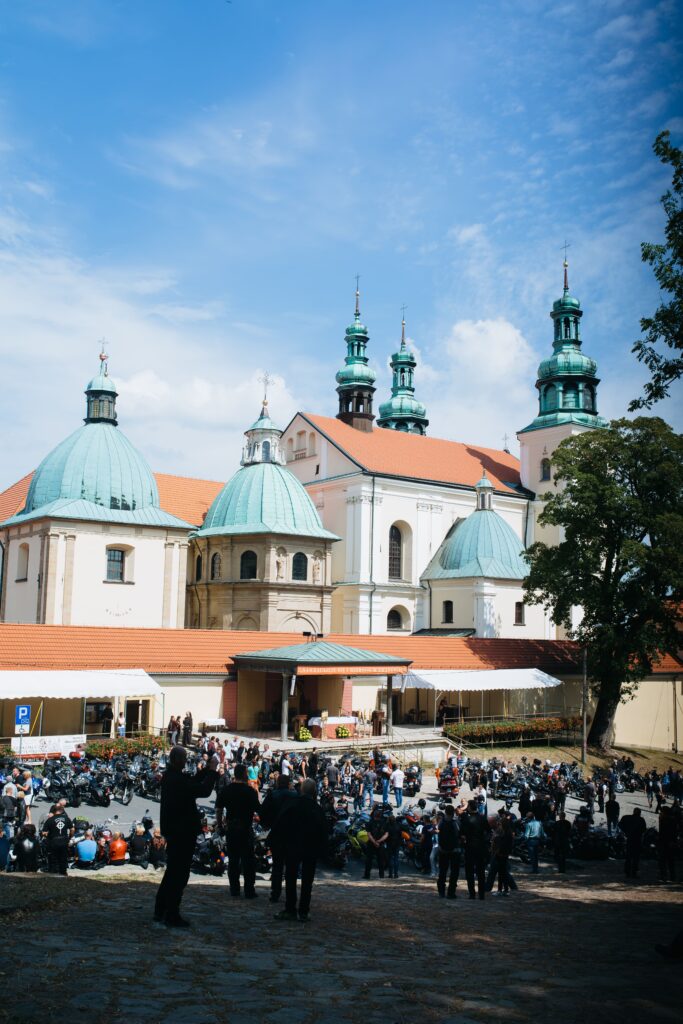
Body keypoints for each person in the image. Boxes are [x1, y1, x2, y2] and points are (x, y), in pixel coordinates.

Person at [154, 746, 218, 927]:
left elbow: (192, 782)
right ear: (179, 760)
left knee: (172, 873)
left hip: (175, 831)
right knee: (179, 875)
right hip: (182, 832)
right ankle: (171, 913)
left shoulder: (171, 776)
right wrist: (212, 772)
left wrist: (206, 769)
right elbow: (203, 790)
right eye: (184, 758)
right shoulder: (176, 779)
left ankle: (161, 909)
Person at [272, 778, 328, 922]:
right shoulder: (317, 808)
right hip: (310, 847)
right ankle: (304, 910)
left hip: (292, 845)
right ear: (314, 791)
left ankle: (290, 908)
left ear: (301, 790)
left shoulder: (292, 804)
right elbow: (323, 831)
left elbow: (280, 824)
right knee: (307, 880)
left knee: (290, 877)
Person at [215, 762, 260, 900]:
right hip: (245, 829)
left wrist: (220, 825)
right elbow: (259, 809)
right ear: (245, 774)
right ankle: (249, 890)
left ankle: (234, 889)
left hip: (231, 828)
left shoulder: (227, 790)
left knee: (233, 860)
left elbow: (219, 809)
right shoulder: (249, 791)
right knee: (248, 861)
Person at [259, 774, 299, 903]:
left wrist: (266, 824)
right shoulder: (295, 795)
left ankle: (275, 893)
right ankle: (290, 895)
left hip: (276, 833)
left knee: (277, 865)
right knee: (290, 866)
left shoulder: (272, 795)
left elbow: (263, 811)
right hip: (291, 834)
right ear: (288, 784)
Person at [460, 800, 490, 900]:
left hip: (470, 847)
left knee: (469, 872)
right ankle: (481, 894)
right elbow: (489, 832)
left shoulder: (467, 820)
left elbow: (461, 834)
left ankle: (472, 893)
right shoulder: (482, 818)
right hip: (480, 847)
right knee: (480, 872)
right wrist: (484, 841)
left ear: (469, 808)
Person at [437, 804, 461, 899]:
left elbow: (439, 834)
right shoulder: (456, 822)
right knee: (454, 873)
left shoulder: (442, 822)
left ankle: (441, 892)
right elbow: (459, 834)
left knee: (442, 872)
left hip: (443, 850)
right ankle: (451, 892)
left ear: (445, 812)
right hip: (454, 851)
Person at [42, 804, 72, 875]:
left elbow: (44, 833)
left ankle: (53, 872)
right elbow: (72, 829)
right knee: (63, 858)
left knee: (53, 858)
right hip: (64, 840)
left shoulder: (50, 820)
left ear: (53, 811)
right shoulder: (66, 818)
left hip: (54, 841)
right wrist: (70, 836)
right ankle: (63, 872)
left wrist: (48, 836)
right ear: (61, 810)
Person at [620, 807, 647, 879]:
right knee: (636, 857)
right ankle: (634, 872)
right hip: (637, 840)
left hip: (630, 839)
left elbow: (620, 825)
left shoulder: (627, 818)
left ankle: (627, 872)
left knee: (628, 856)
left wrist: (626, 832)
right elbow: (644, 829)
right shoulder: (641, 820)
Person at [364, 805, 388, 879]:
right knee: (381, 861)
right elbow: (386, 834)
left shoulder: (369, 822)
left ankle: (367, 875)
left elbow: (369, 834)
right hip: (380, 844)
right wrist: (379, 841)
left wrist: (374, 842)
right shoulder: (384, 823)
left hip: (371, 843)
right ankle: (381, 875)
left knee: (369, 860)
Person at [657, 806, 677, 883]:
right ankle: (671, 876)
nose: (660, 813)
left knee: (664, 860)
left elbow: (663, 832)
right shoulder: (671, 820)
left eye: (661, 812)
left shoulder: (665, 820)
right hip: (669, 842)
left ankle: (664, 876)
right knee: (670, 861)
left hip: (665, 842)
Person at [385, 809, 402, 879]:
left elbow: (386, 835)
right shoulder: (398, 826)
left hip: (390, 844)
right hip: (397, 844)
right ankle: (396, 874)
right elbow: (400, 835)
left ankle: (390, 874)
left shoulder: (388, 826)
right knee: (396, 859)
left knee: (390, 859)